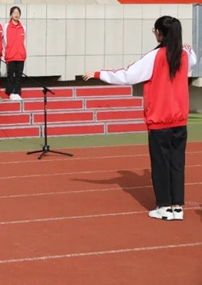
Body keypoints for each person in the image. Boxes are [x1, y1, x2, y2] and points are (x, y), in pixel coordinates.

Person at [83, 16, 196, 221]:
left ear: (160, 33)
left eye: (155, 31)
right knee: (177, 164)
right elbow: (192, 55)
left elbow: (128, 75)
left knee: (160, 164)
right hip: (179, 121)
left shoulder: (155, 56)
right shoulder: (185, 55)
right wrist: (187, 47)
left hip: (160, 120)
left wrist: (99, 74)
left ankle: (164, 206)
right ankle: (177, 206)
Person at [4, 6, 26, 101]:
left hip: (20, 55)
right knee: (10, 75)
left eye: (18, 13)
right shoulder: (6, 26)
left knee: (18, 75)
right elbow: (4, 41)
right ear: (11, 14)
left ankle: (17, 92)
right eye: (14, 12)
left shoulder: (23, 27)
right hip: (10, 55)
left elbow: (23, 41)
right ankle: (10, 92)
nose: (16, 15)